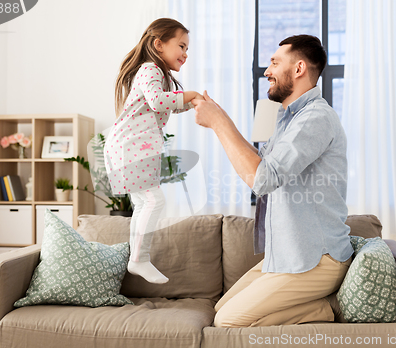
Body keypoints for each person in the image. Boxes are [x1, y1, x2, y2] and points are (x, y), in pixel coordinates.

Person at [192, 35, 353, 327]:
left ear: (299, 68)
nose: (267, 71)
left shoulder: (315, 118)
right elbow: (259, 166)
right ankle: (314, 305)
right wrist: (222, 117)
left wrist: (219, 122)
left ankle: (323, 310)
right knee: (219, 310)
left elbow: (262, 179)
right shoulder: (284, 117)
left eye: (274, 63)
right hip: (286, 257)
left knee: (227, 322)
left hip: (317, 260)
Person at [104, 18, 203, 284]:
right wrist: (191, 94)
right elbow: (158, 101)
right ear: (159, 44)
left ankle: (137, 257)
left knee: (142, 203)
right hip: (130, 146)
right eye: (181, 46)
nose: (185, 53)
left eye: (187, 49)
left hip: (132, 146)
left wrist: (192, 102)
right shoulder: (150, 69)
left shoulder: (156, 74)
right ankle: (139, 259)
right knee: (153, 201)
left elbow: (164, 105)